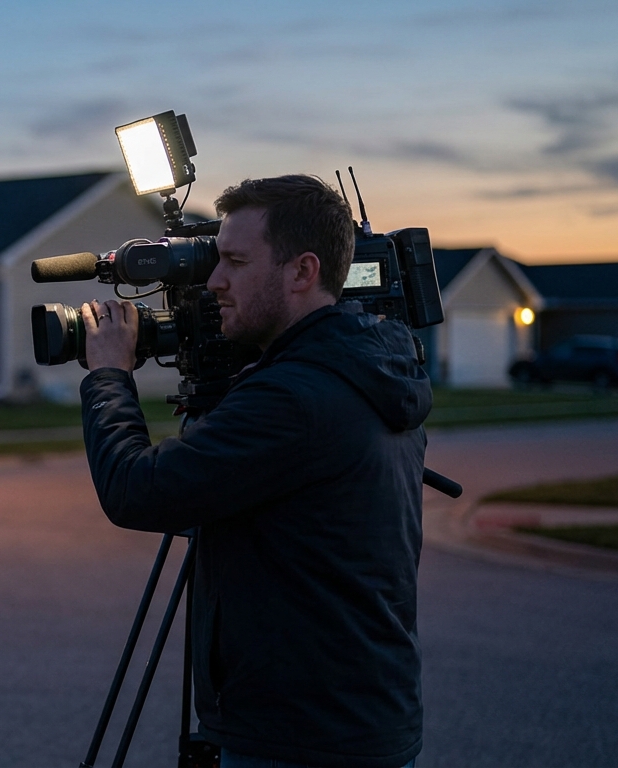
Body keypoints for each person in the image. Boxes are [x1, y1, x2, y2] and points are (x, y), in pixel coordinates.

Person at [79, 175, 428, 768]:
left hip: (300, 739)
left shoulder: (294, 397)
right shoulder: (365, 367)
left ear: (302, 271)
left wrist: (109, 374)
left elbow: (137, 490)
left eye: (235, 262)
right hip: (356, 718)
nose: (214, 281)